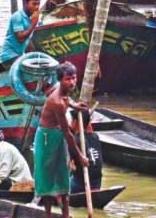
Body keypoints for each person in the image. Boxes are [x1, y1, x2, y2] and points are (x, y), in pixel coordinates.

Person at [34, 63, 90, 218]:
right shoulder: (56, 102)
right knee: (46, 179)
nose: (72, 82)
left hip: (58, 135)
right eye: (68, 79)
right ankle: (48, 215)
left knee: (64, 175)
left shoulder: (63, 93)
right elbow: (68, 133)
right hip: (47, 138)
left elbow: (67, 97)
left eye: (74, 78)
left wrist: (74, 105)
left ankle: (66, 215)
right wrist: (80, 157)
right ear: (60, 80)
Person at [0, 0, 41, 70]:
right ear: (25, 3)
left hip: (18, 55)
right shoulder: (17, 16)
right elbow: (21, 39)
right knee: (27, 70)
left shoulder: (30, 18)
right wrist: (34, 24)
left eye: (38, 4)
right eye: (34, 4)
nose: (37, 7)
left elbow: (28, 42)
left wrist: (34, 57)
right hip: (9, 56)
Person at [68, 108, 103, 193]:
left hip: (80, 185)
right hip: (97, 183)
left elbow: (68, 167)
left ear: (75, 122)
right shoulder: (95, 136)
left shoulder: (73, 141)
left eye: (71, 119)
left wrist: (72, 168)